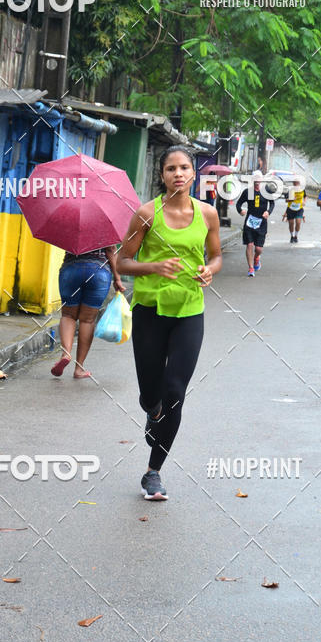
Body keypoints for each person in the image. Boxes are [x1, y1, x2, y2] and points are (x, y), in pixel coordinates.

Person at [116, 145, 222, 501]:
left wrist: (210, 271)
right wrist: (154, 267)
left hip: (189, 311)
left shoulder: (207, 214)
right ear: (162, 175)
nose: (178, 173)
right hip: (149, 311)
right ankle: (152, 409)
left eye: (185, 168)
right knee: (151, 393)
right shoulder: (146, 214)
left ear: (194, 174)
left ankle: (153, 472)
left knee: (176, 392)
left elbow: (217, 256)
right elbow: (122, 261)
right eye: (171, 168)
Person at [51, 247, 125, 378]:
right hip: (98, 272)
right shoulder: (105, 226)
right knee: (87, 320)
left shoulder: (70, 225)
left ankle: (66, 353)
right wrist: (117, 278)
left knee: (68, 315)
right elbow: (111, 251)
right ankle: (79, 368)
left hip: (71, 270)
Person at [235, 170, 274, 277]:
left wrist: (268, 212)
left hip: (262, 223)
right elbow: (238, 204)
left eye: (259, 178)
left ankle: (256, 258)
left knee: (258, 249)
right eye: (255, 178)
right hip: (249, 222)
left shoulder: (267, 191)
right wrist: (240, 210)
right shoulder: (247, 192)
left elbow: (272, 204)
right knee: (250, 244)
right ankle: (251, 268)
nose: (257, 180)